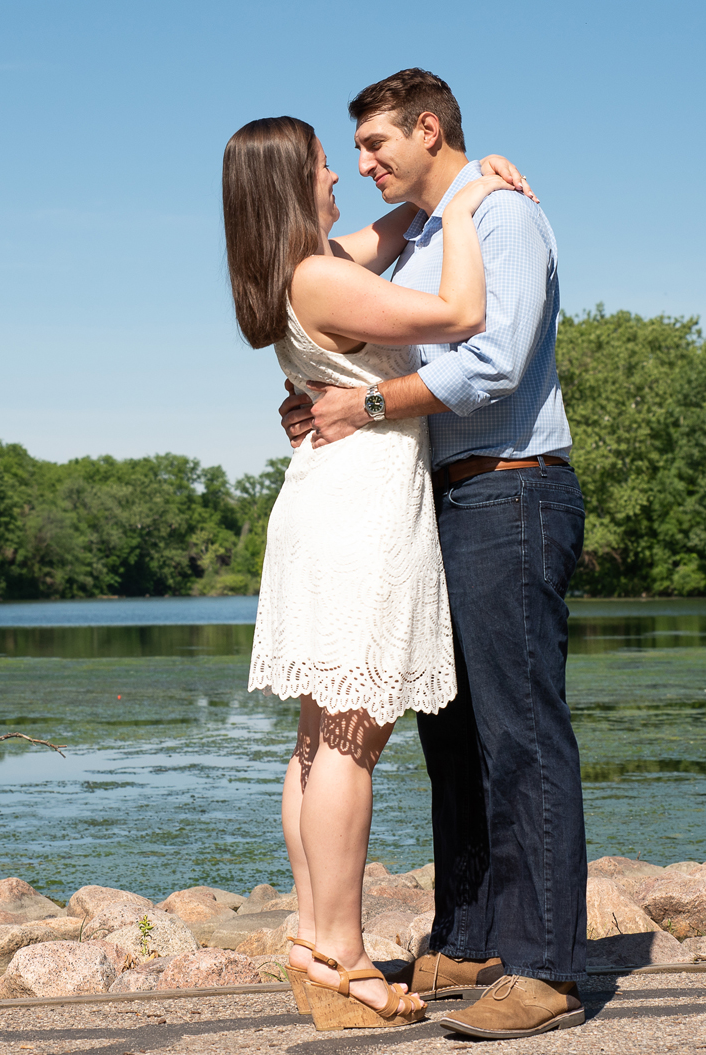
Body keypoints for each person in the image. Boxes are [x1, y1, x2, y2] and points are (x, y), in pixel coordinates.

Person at [277, 68, 589, 1041]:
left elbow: (490, 358)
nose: (363, 164)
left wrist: (362, 403)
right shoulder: (420, 235)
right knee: (448, 735)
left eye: (375, 145)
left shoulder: (498, 215)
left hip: (511, 483)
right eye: (352, 153)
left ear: (426, 128)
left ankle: (543, 966)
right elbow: (374, 341)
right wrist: (328, 388)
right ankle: (469, 937)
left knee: (520, 732)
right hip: (436, 497)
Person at [220, 114, 525, 1031]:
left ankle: (315, 940)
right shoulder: (320, 277)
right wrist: (470, 199)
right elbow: (465, 314)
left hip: (331, 503)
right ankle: (345, 953)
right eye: (323, 165)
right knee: (352, 737)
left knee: (320, 737)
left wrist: (445, 186)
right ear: (289, 182)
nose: (339, 176)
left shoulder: (300, 268)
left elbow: (390, 232)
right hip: (360, 514)